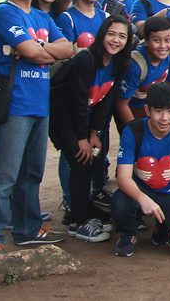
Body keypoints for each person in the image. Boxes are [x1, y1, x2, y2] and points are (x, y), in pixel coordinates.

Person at [0, 0, 73, 256]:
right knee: (4, 174)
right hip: (14, 103)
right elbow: (37, 51)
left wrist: (35, 50)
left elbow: (67, 49)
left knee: (31, 172)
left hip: (38, 103)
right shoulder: (4, 13)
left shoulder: (42, 17)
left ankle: (28, 228)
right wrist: (40, 51)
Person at [49, 15, 134, 242]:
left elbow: (105, 101)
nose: (116, 40)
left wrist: (95, 133)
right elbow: (77, 101)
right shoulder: (87, 60)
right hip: (63, 118)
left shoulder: (117, 64)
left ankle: (83, 213)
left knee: (90, 161)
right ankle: (78, 222)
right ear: (102, 35)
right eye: (111, 34)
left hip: (85, 118)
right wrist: (81, 138)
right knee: (80, 161)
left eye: (122, 36)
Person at [110, 81, 170, 257]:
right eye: (158, 111)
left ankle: (163, 228)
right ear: (147, 110)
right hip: (143, 190)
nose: (164, 118)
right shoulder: (133, 130)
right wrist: (141, 198)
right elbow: (123, 178)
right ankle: (128, 233)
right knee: (120, 201)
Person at [114, 15, 170, 125]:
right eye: (156, 40)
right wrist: (135, 130)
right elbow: (121, 104)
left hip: (152, 112)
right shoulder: (135, 66)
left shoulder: (167, 55)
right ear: (146, 40)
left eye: (168, 40)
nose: (163, 45)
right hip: (133, 113)